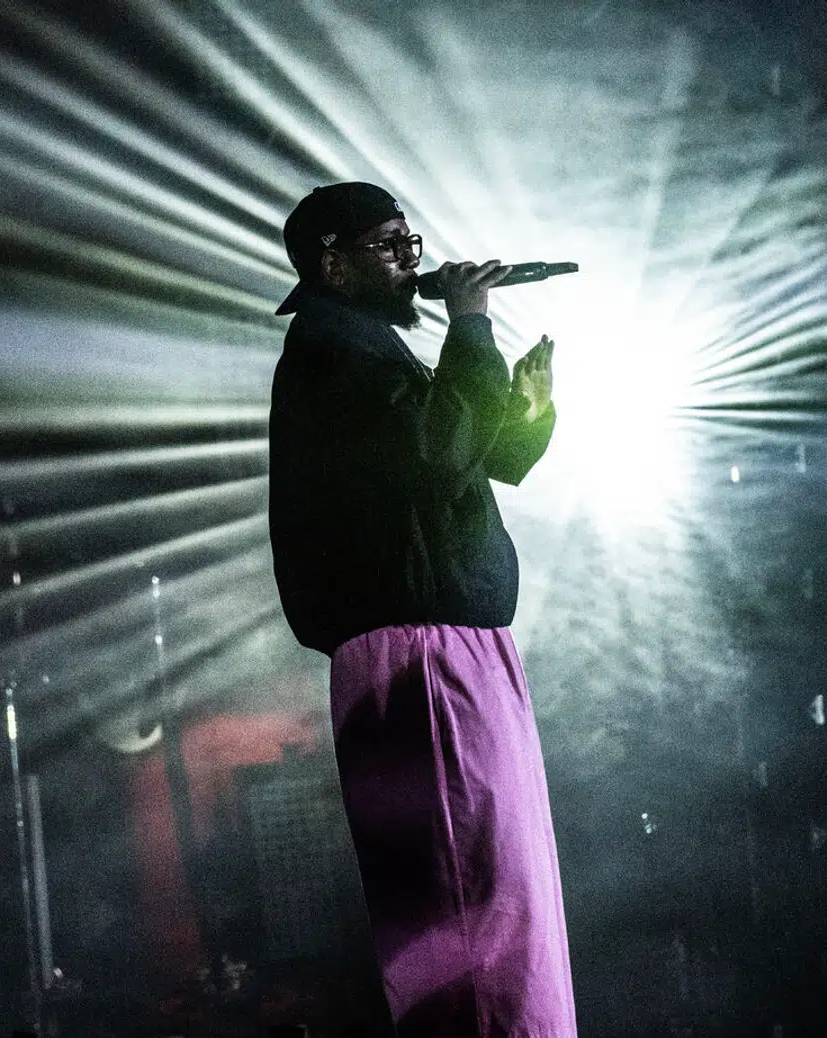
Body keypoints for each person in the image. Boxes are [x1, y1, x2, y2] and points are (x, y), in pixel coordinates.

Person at [269, 182, 576, 1037]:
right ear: (332, 263)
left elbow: (471, 461)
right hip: (420, 659)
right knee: (472, 902)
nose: (414, 259)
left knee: (509, 897)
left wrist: (531, 414)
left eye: (412, 240)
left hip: (454, 648)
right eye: (390, 244)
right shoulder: (332, 347)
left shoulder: (362, 344)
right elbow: (442, 451)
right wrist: (471, 323)